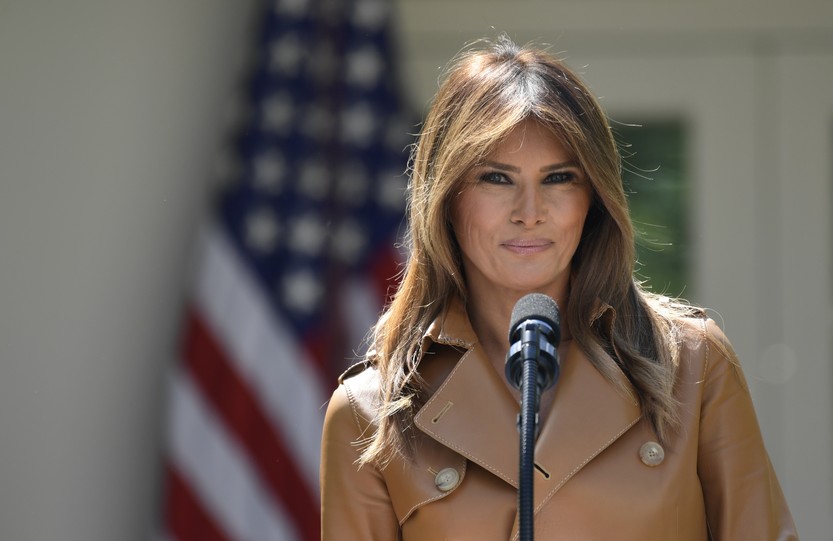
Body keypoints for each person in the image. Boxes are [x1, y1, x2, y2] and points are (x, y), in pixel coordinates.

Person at [319, 36, 798, 540]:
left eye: (559, 178)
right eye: (496, 178)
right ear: (447, 199)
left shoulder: (695, 365)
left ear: (593, 198)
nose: (530, 212)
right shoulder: (368, 411)